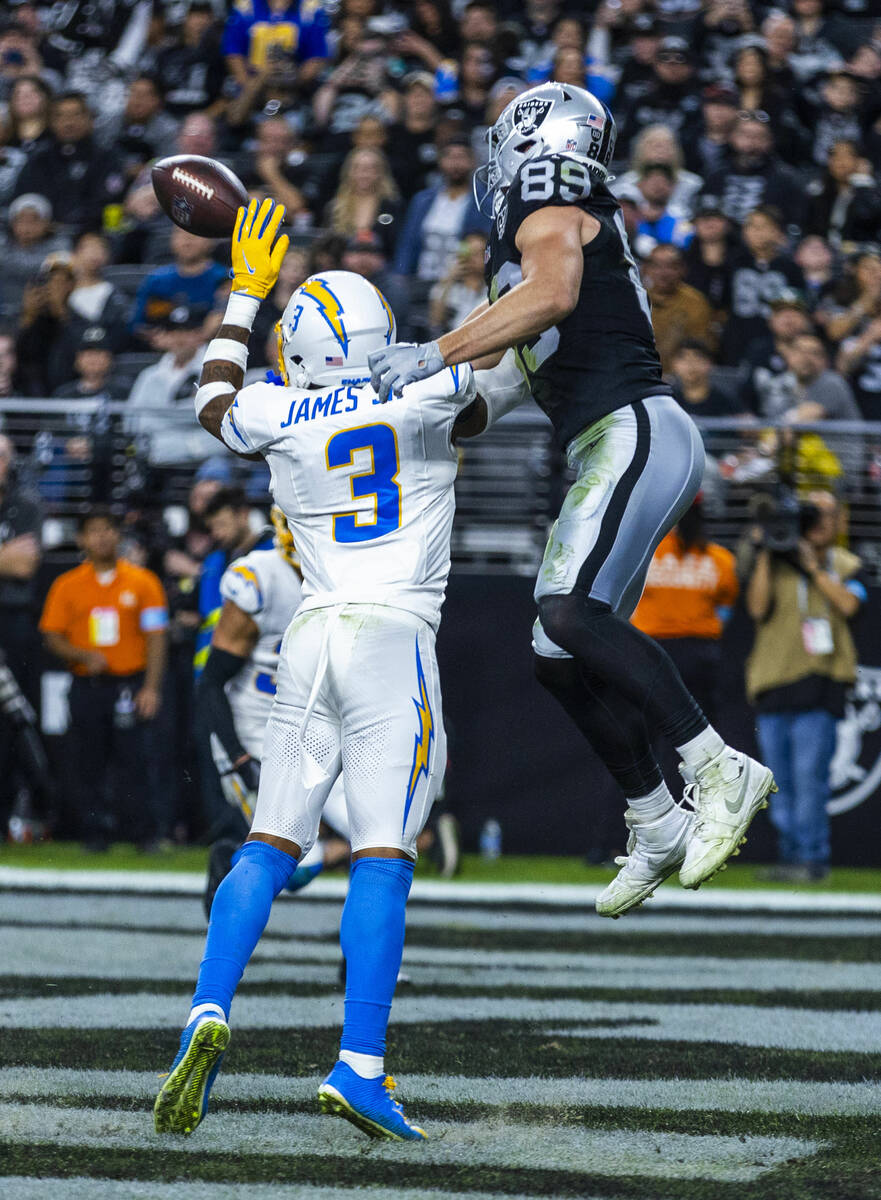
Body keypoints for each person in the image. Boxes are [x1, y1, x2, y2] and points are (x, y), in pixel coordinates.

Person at [153, 203, 519, 1139]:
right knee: (383, 855)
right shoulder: (424, 390)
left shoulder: (278, 408)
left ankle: (206, 1010)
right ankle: (359, 1064)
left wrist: (242, 294)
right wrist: (516, 285)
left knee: (269, 844)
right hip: (393, 631)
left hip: (308, 635)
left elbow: (212, 400)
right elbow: (516, 369)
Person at [370, 82, 776, 920]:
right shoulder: (537, 261)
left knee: (565, 613)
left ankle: (716, 767)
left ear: (539, 138)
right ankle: (654, 818)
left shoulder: (549, 186)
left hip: (633, 428)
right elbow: (484, 403)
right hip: (612, 439)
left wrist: (433, 350)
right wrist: (386, 404)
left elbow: (548, 297)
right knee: (555, 657)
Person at [195, 506, 350, 917]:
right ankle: (228, 861)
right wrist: (238, 756)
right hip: (254, 731)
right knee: (300, 865)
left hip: (316, 731)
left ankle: (360, 963)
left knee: (377, 836)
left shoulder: (353, 578)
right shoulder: (261, 577)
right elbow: (211, 683)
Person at [742, 490, 864, 880]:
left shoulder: (846, 564)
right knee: (779, 781)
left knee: (810, 778)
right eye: (811, 514)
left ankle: (811, 859)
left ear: (839, 520)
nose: (818, 522)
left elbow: (848, 605)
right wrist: (766, 550)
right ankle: (791, 857)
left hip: (821, 682)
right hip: (775, 680)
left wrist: (813, 569)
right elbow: (757, 609)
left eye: (825, 514)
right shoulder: (775, 563)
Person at [39, 505, 168, 850]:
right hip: (87, 684)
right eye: (94, 530)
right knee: (87, 761)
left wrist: (152, 687)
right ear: (81, 538)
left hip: (130, 683)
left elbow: (157, 636)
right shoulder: (68, 585)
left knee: (135, 759)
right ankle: (94, 835)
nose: (103, 536)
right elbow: (51, 635)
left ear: (119, 535)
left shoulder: (143, 581)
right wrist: (82, 656)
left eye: (109, 529)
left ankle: (144, 835)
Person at [644, 243, 714, 373]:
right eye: (656, 266)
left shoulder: (696, 302)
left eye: (671, 266)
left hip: (684, 378)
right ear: (646, 269)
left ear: (683, 269)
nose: (663, 273)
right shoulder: (636, 300)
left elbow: (702, 348)